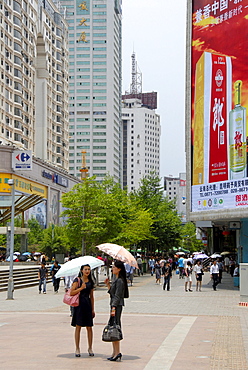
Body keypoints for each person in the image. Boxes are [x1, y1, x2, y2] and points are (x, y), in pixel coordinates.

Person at [104, 260, 129, 362]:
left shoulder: (120, 281)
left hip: (116, 306)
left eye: (114, 267)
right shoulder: (117, 279)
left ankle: (117, 352)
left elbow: (118, 296)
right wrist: (108, 285)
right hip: (114, 305)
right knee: (113, 327)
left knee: (115, 327)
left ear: (119, 269)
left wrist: (113, 307)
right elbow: (112, 293)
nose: (112, 269)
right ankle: (115, 352)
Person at [70, 264, 95, 357]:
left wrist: (93, 309)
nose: (87, 271)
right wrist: (81, 288)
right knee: (78, 326)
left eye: (88, 269)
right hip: (79, 305)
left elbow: (92, 296)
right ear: (81, 270)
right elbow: (72, 292)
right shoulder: (77, 280)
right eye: (85, 269)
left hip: (87, 305)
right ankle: (77, 348)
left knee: (89, 327)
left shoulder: (91, 281)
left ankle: (90, 347)